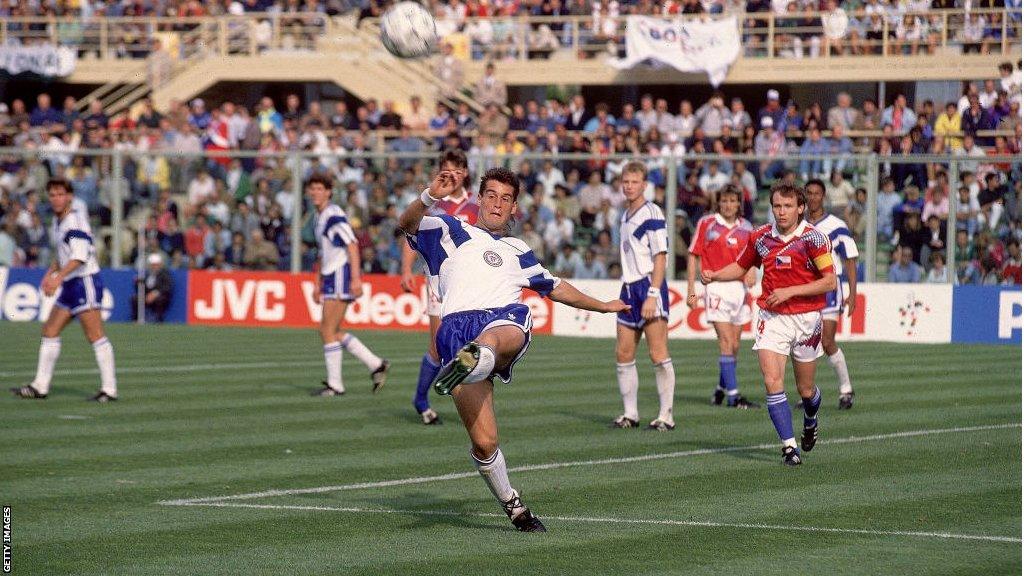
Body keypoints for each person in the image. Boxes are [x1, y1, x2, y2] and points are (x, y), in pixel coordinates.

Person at [399, 166, 628, 532]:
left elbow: (555, 286)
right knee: (486, 442)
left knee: (505, 330)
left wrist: (602, 305)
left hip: (500, 321)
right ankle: (514, 506)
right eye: (491, 195)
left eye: (506, 199)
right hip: (457, 331)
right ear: (478, 198)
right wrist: (430, 195)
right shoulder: (448, 229)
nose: (497, 203)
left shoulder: (518, 249)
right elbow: (407, 223)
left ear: (514, 208)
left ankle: (475, 360)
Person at [702, 184, 837, 466]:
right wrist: (715, 274)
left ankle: (810, 418)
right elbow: (741, 267)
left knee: (806, 391)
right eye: (777, 206)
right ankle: (789, 447)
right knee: (772, 381)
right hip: (771, 318)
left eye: (788, 206)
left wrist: (790, 291)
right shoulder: (760, 237)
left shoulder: (814, 239)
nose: (782, 211)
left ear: (800, 208)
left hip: (807, 320)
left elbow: (829, 281)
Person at [12, 179, 119, 402]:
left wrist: (57, 279)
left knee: (95, 335)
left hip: (84, 281)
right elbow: (62, 255)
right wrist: (49, 274)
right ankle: (40, 386)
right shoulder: (57, 221)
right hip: (71, 283)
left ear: (69, 196)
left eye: (60, 194)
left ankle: (109, 389)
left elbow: (79, 257)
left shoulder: (75, 221)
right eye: (52, 195)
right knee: (50, 330)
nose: (56, 199)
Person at [399, 149, 476, 425]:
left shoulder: (476, 205)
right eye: (447, 168)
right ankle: (421, 399)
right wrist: (406, 268)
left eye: (457, 169)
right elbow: (411, 233)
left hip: (470, 285)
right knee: (437, 346)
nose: (452, 173)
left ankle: (460, 389)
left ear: (465, 173)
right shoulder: (432, 203)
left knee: (473, 345)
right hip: (437, 283)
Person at [308, 174, 390, 397]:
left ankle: (336, 384)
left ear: (328, 192)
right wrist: (317, 283)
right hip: (330, 276)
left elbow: (352, 244)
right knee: (332, 331)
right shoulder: (320, 217)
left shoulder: (333, 214)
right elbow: (324, 253)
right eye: (312, 188)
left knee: (326, 330)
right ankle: (375, 364)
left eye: (319, 188)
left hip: (339, 276)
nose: (315, 192)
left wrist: (355, 278)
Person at [612, 162, 677, 431]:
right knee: (624, 352)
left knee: (657, 352)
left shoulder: (652, 212)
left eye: (634, 182)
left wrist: (653, 293)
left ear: (644, 185)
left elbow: (660, 256)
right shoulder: (625, 214)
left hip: (649, 286)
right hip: (628, 288)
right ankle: (631, 413)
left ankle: (666, 415)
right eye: (626, 181)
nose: (629, 186)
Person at [686, 185, 759, 409]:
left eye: (732, 201)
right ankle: (734, 396)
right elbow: (693, 255)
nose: (728, 205)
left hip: (739, 291)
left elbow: (754, 256)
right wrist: (691, 290)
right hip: (716, 288)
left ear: (739, 204)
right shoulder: (707, 223)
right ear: (719, 203)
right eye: (724, 201)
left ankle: (720, 388)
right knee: (726, 342)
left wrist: (753, 270)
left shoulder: (746, 227)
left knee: (735, 345)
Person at [804, 179, 859, 410]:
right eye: (809, 193)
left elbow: (850, 259)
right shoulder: (799, 226)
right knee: (805, 343)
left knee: (826, 341)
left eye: (817, 193)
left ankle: (846, 389)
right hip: (805, 288)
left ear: (823, 196)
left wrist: (852, 294)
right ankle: (807, 392)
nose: (813, 197)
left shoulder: (836, 225)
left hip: (828, 288)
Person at [140, 253, 172, 323]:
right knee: (135, 299)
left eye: (156, 265)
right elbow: (144, 287)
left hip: (160, 295)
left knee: (159, 300)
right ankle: (137, 318)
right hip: (148, 295)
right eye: (152, 265)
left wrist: (155, 293)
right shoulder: (147, 274)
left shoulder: (165, 274)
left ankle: (158, 319)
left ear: (160, 265)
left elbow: (167, 287)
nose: (154, 267)